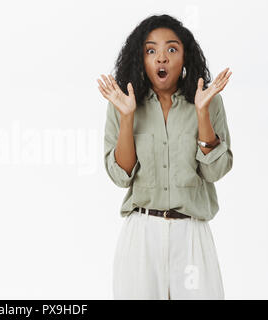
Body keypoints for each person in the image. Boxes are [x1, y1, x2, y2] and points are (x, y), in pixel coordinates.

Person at [97, 14, 233, 300]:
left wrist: (202, 113)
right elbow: (121, 176)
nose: (161, 58)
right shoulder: (122, 103)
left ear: (185, 57)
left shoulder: (207, 100)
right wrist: (126, 117)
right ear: (140, 57)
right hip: (142, 235)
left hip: (191, 233)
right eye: (151, 50)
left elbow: (215, 171)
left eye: (172, 49)